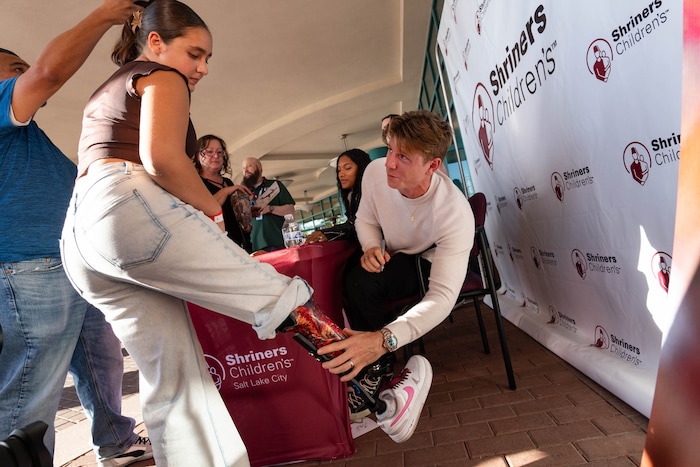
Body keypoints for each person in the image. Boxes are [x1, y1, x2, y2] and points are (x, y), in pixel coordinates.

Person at [59, 1, 428, 464]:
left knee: (174, 378)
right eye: (195, 54)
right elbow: (162, 159)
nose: (203, 68)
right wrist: (209, 216)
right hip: (125, 207)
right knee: (278, 295)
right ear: (156, 42)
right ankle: (377, 396)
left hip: (81, 236)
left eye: (207, 58)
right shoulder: (159, 74)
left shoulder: (108, 89)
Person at [0, 2, 153, 465]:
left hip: (70, 263)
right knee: (31, 390)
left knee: (100, 357)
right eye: (13, 69)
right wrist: (105, 15)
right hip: (31, 270)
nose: (24, 75)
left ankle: (116, 442)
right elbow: (48, 73)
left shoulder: (29, 142)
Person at [322, 110, 476, 422]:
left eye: (403, 156)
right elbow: (365, 219)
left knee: (364, 284)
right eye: (391, 149)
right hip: (390, 252)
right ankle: (361, 359)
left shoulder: (454, 213)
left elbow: (442, 298)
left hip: (423, 260)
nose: (390, 162)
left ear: (432, 166)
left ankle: (377, 364)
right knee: (344, 274)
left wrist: (384, 339)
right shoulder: (376, 171)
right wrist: (371, 247)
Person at [192, 134, 253, 252]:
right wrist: (226, 191)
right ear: (198, 155)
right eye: (209, 151)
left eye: (220, 152)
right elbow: (204, 210)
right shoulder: (197, 183)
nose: (216, 156)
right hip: (219, 247)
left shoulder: (227, 182)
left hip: (242, 244)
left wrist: (246, 211)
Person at [305, 148, 371, 244]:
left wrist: (328, 233)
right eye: (339, 170)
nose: (341, 174)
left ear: (362, 168)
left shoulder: (369, 193)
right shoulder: (351, 196)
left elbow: (359, 224)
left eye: (348, 168)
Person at [241, 157, 296, 252]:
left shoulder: (275, 185)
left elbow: (291, 211)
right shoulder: (242, 192)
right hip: (254, 246)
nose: (245, 170)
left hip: (278, 242)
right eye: (243, 168)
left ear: (259, 167)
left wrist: (270, 208)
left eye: (249, 166)